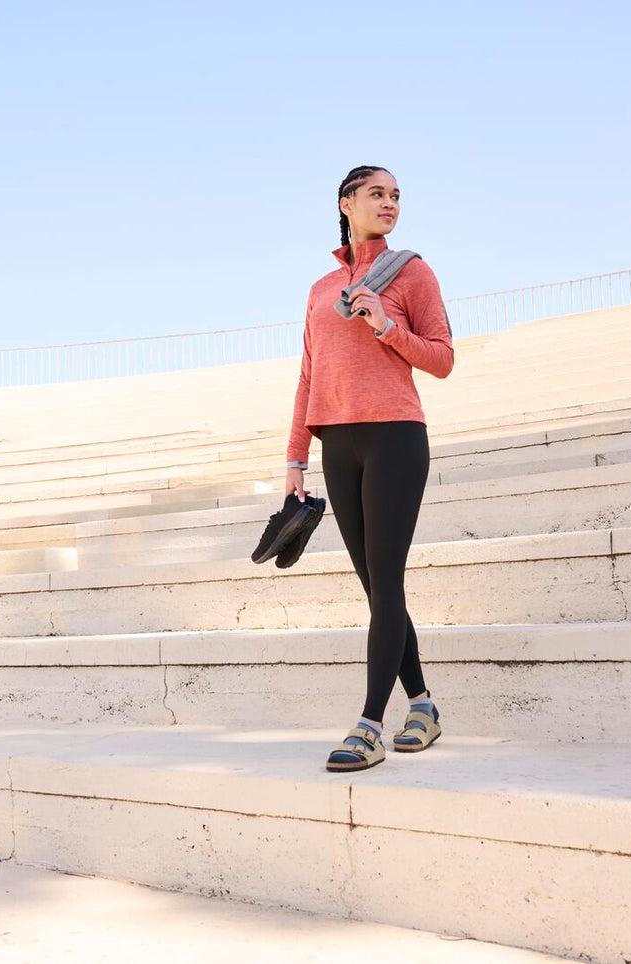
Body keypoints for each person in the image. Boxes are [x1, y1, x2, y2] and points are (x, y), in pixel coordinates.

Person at [285, 165, 455, 772]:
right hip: (338, 443)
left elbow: (443, 359)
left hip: (395, 438)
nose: (389, 204)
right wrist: (295, 455)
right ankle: (425, 707)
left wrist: (387, 327)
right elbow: (309, 374)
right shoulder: (318, 290)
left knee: (386, 582)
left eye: (396, 196)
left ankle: (367, 725)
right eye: (377, 194)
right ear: (346, 203)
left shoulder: (413, 273)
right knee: (375, 586)